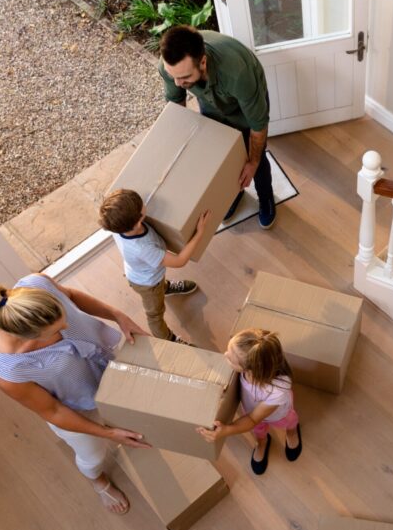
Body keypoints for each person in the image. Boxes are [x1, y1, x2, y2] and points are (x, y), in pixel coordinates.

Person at [0, 273, 150, 514]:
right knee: (93, 455)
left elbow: (73, 296)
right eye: (57, 329)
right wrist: (108, 433)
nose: (67, 327)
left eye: (64, 317)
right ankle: (97, 481)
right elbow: (53, 410)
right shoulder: (6, 372)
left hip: (105, 370)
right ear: (30, 337)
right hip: (75, 409)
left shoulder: (36, 284)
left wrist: (119, 316)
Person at [158, 25, 277, 229]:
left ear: (203, 62)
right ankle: (234, 194)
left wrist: (252, 162)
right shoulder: (171, 68)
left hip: (245, 103)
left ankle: (265, 197)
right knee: (221, 154)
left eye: (184, 77)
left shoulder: (238, 72)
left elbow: (258, 125)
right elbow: (176, 108)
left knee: (254, 157)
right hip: (210, 101)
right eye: (174, 77)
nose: (177, 83)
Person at [99, 188, 208, 344]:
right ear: (138, 221)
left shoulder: (117, 225)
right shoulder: (142, 248)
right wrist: (199, 233)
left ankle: (165, 288)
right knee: (155, 314)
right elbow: (180, 261)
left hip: (146, 273)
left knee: (160, 285)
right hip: (148, 284)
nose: (144, 203)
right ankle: (168, 339)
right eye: (141, 204)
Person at [196, 328, 302, 475]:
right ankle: (262, 443)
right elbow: (253, 418)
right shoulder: (253, 358)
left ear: (251, 369)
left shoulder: (277, 390)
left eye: (231, 359)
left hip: (278, 414)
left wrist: (227, 430)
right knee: (259, 431)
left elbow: (253, 419)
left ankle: (291, 433)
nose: (225, 355)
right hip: (252, 412)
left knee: (289, 422)